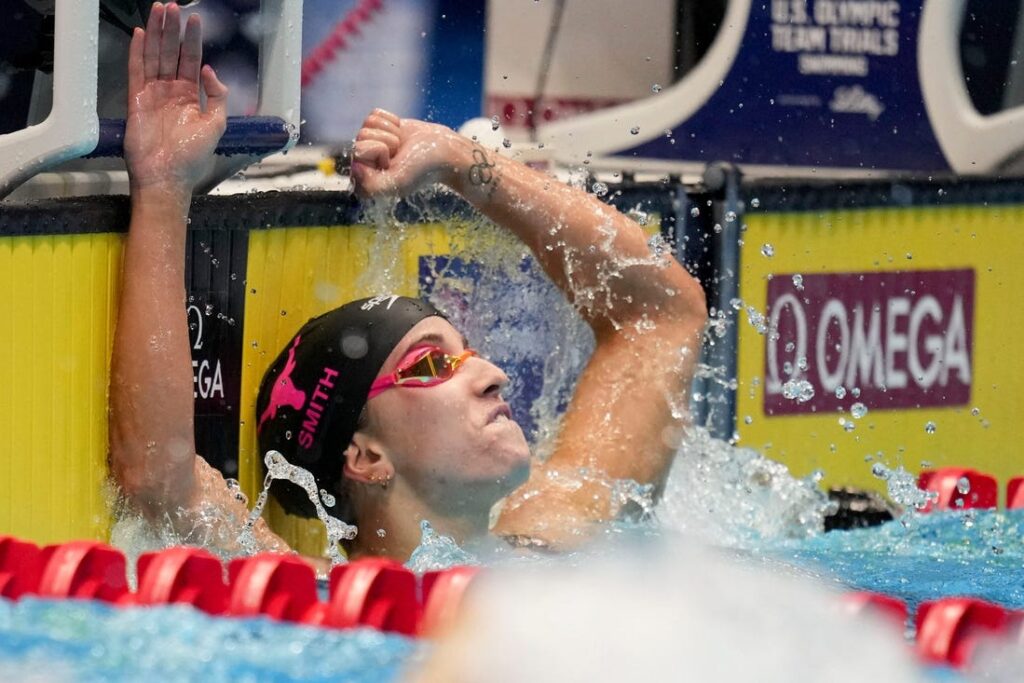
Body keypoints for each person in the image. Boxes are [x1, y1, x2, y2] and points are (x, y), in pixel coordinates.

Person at [109, 3, 707, 567]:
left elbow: (661, 313)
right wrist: (161, 187)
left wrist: (459, 162)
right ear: (367, 458)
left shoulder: (551, 542)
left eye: (466, 355)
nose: (492, 374)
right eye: (431, 365)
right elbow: (162, 485)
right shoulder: (313, 593)